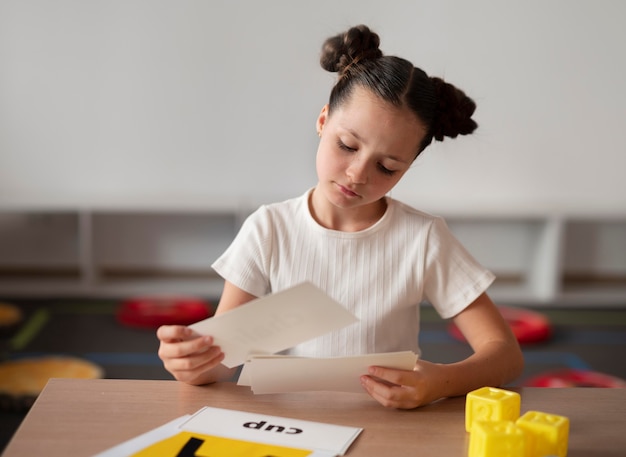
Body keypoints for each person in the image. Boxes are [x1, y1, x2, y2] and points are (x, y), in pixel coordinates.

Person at [157, 24, 524, 409]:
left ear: (408, 167)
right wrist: (192, 363)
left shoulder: (423, 238)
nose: (357, 174)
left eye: (387, 167)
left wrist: (441, 382)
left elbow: (505, 354)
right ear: (322, 121)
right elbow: (220, 364)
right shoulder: (269, 229)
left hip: (390, 429)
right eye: (347, 145)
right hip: (291, 426)